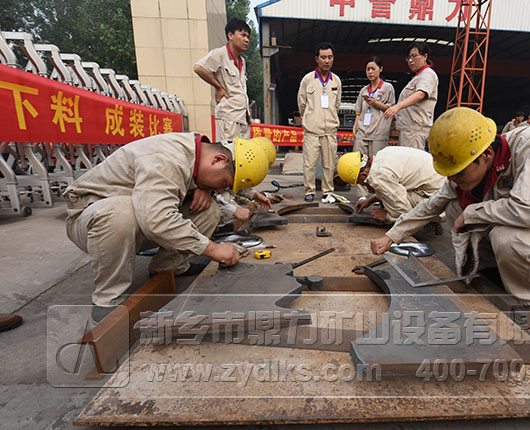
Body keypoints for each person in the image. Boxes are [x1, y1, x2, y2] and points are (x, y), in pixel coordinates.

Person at [370, 107, 530, 305]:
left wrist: (472, 213)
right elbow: (431, 205)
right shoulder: (473, 168)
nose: (454, 179)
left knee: (508, 237)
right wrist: (392, 236)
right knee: (454, 204)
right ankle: (492, 273)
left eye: (459, 172)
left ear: (486, 155)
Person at [63, 133, 269, 322]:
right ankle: (107, 298)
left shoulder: (199, 153)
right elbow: (156, 219)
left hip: (139, 219)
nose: (221, 189)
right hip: (90, 220)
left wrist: (203, 187)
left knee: (209, 210)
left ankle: (167, 267)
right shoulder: (166, 158)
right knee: (120, 213)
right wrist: (211, 248)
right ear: (218, 160)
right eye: (223, 183)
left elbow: (157, 209)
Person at [337, 147, 445, 223]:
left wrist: (387, 216)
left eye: (359, 182)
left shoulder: (378, 175)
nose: (362, 185)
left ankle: (427, 224)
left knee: (392, 206)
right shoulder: (382, 155)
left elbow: (402, 209)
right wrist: (371, 200)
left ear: (363, 175)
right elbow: (392, 187)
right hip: (439, 187)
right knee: (387, 198)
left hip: (440, 203)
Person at [298, 42, 342, 204]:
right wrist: (311, 118)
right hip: (312, 130)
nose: (326, 61)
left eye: (329, 57)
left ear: (333, 59)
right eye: (323, 57)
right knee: (309, 163)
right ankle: (309, 190)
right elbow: (302, 104)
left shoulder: (336, 81)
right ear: (317, 59)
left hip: (330, 130)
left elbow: (336, 104)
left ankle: (327, 191)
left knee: (329, 164)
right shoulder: (308, 79)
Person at [194, 18, 251, 141]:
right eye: (242, 35)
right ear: (230, 35)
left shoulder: (242, 61)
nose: (246, 40)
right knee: (227, 151)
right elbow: (198, 68)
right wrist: (218, 87)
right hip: (228, 118)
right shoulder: (220, 54)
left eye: (248, 36)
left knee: (243, 152)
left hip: (242, 118)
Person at [352, 56, 395, 196]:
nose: (370, 72)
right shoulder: (364, 90)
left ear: (380, 69)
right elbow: (358, 111)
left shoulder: (387, 88)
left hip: (378, 132)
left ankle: (378, 195)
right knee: (359, 164)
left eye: (373, 69)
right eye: (368, 69)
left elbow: (391, 109)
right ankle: (362, 195)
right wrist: (355, 126)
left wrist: (375, 103)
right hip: (362, 132)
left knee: (377, 165)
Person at [383, 42, 439, 150]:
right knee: (408, 157)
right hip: (409, 128)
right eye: (408, 58)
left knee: (412, 159)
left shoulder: (427, 74)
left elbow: (421, 94)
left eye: (414, 56)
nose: (410, 60)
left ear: (425, 56)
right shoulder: (418, 76)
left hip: (415, 129)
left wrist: (397, 106)